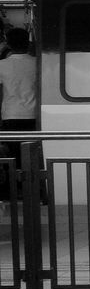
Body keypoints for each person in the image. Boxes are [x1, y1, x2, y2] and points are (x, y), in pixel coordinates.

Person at [0, 28, 38, 199]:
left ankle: (15, 190)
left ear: (7, 44)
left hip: (10, 114)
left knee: (13, 155)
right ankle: (34, 189)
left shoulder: (2, 66)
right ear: (28, 43)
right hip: (33, 115)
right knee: (32, 154)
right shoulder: (37, 63)